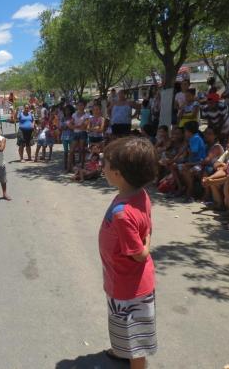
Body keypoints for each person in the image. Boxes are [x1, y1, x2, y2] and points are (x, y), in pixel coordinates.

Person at [99, 137, 158, 369]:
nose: (101, 167)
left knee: (136, 339)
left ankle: (134, 361)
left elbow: (140, 254)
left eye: (105, 163)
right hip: (121, 279)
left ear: (118, 173)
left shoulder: (123, 213)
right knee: (123, 326)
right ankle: (120, 349)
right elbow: (146, 226)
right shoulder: (138, 194)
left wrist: (147, 242)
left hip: (129, 287)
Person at [178, 121, 206, 202]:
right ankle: (184, 190)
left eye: (185, 131)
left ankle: (190, 193)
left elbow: (192, 153)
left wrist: (186, 146)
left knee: (188, 171)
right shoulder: (192, 138)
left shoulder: (195, 138)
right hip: (193, 162)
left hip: (199, 163)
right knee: (181, 168)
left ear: (188, 131)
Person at [71, 100, 90, 168]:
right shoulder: (74, 114)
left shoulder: (87, 115)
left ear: (84, 106)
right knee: (72, 150)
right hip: (75, 133)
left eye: (81, 105)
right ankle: (71, 166)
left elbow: (84, 125)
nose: (79, 106)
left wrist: (75, 126)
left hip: (83, 133)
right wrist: (78, 126)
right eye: (78, 105)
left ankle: (82, 165)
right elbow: (71, 124)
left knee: (82, 150)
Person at [61, 105, 75, 172]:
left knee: (72, 152)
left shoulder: (73, 118)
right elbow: (61, 127)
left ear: (71, 110)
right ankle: (65, 166)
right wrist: (68, 126)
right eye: (66, 110)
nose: (67, 111)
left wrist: (67, 126)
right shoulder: (63, 118)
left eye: (68, 110)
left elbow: (73, 127)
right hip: (64, 137)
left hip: (72, 136)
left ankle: (73, 165)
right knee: (66, 152)